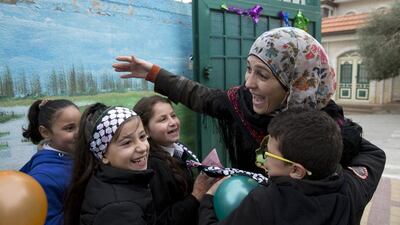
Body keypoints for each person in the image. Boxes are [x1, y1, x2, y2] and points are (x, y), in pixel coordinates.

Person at [113, 27, 361, 173]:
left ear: (297, 84)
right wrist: (155, 74)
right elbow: (202, 97)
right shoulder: (241, 104)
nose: (249, 83)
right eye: (248, 69)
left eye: (262, 74)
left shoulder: (331, 134)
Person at [199, 109, 386, 225]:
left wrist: (208, 199)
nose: (263, 157)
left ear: (296, 170)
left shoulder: (265, 203)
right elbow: (375, 154)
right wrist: (331, 133)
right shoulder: (351, 190)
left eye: (268, 153)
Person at [64, 104, 154, 225]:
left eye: (142, 136)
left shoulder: (111, 180)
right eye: (127, 142)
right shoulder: (118, 210)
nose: (142, 147)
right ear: (104, 155)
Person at [133, 95, 217, 225]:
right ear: (146, 131)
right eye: (163, 119)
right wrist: (196, 195)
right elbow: (163, 220)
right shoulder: (153, 165)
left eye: (173, 115)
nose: (173, 122)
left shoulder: (176, 150)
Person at [20, 99, 81, 225]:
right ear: (45, 132)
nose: (80, 133)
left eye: (82, 125)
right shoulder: (43, 179)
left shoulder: (71, 153)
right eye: (69, 128)